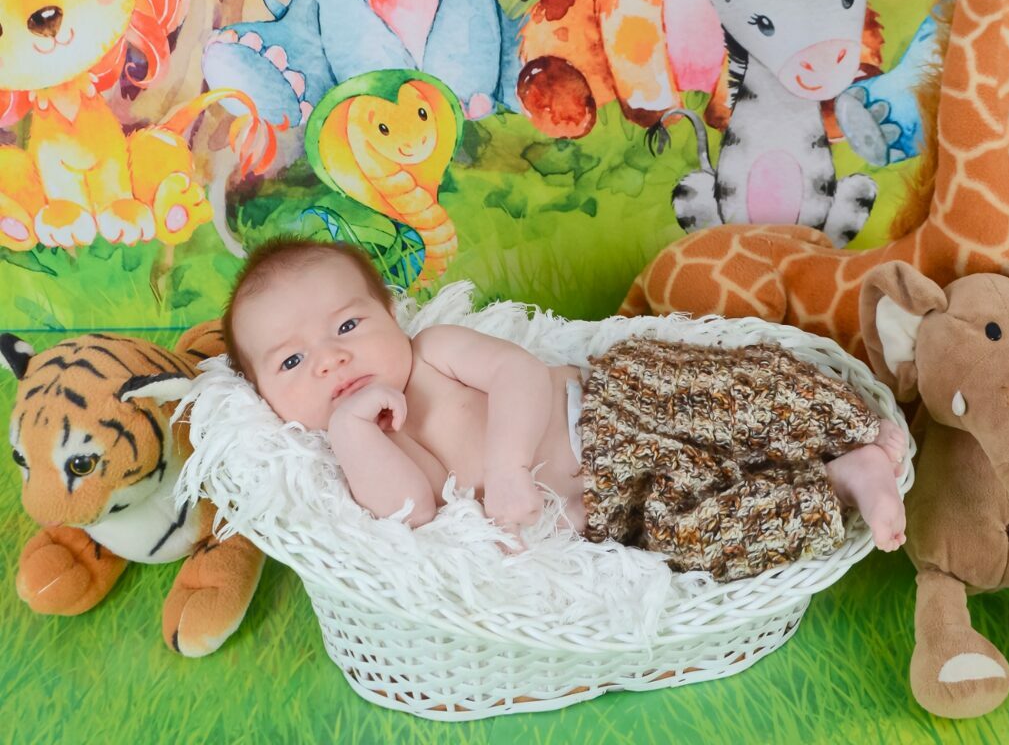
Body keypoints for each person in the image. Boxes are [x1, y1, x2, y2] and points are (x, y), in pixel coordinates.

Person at [222, 238, 906, 582]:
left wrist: (507, 467)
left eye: (347, 326)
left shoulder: (431, 352)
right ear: (264, 399)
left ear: (391, 316)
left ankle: (841, 424)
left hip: (611, 403)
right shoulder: (365, 452)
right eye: (291, 362)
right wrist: (350, 428)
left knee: (734, 395)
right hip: (615, 500)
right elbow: (412, 510)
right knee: (705, 535)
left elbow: (518, 373)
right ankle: (839, 482)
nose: (330, 361)